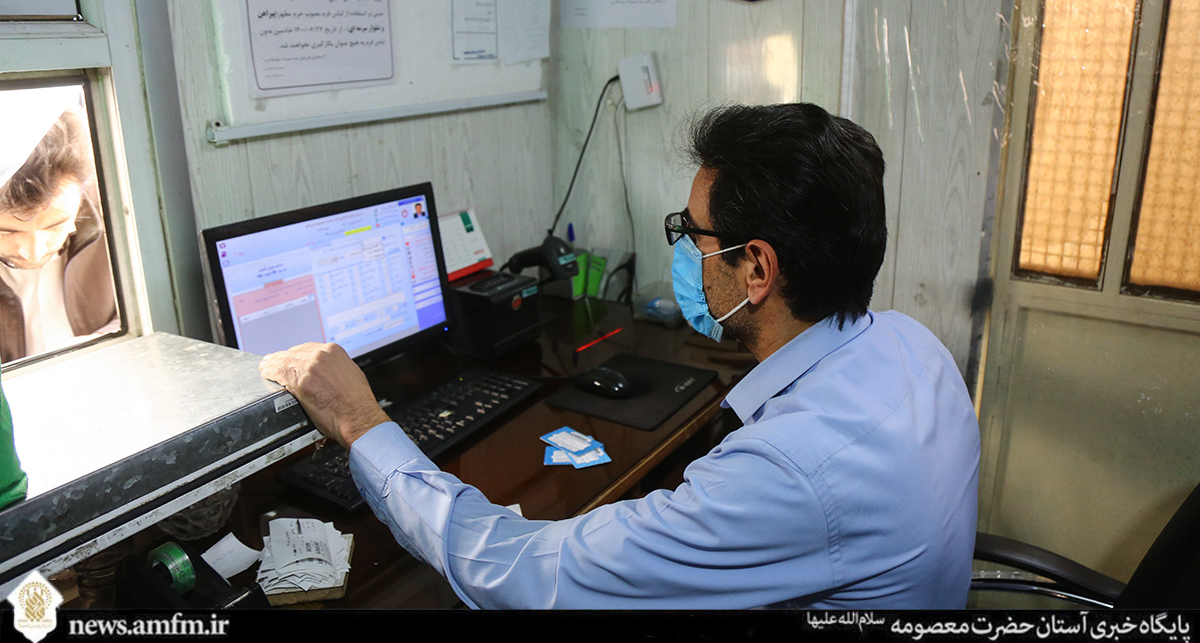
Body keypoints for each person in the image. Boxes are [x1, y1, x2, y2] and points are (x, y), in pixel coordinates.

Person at [260, 103, 980, 609]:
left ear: (757, 269)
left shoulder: (788, 473)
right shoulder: (913, 346)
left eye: (692, 233)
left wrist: (360, 421)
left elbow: (524, 574)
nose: (686, 253)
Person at [0, 102, 118, 363]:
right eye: (6, 232)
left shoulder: (122, 220)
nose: (33, 252)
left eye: (54, 225)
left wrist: (106, 342)